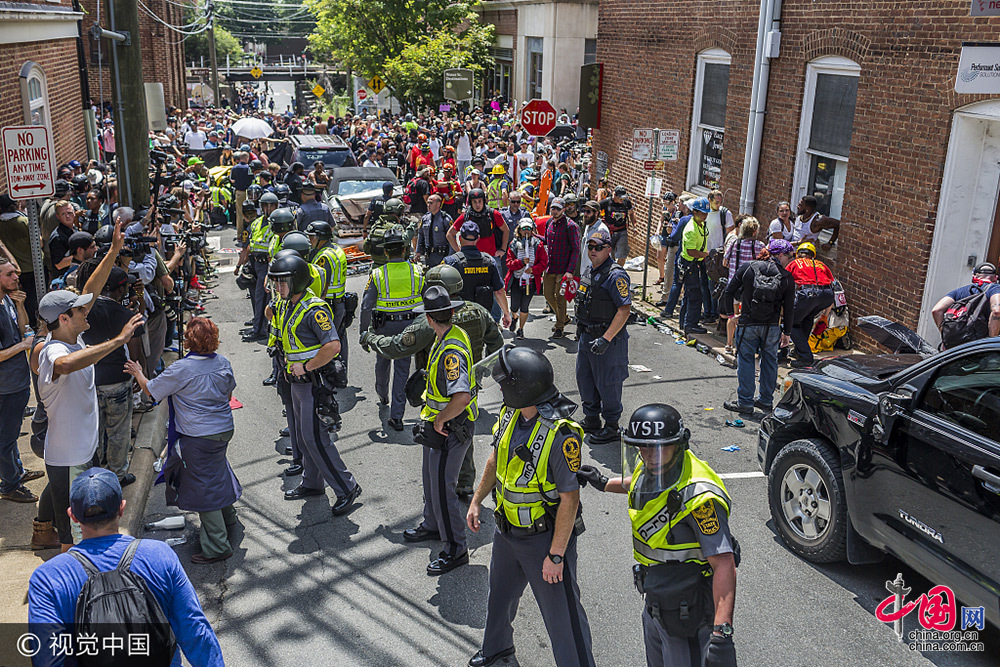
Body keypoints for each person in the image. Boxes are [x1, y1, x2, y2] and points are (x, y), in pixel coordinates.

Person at [577, 404, 738, 667]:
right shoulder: (654, 466)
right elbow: (637, 483)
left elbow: (724, 565)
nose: (648, 455)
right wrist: (603, 482)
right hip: (656, 599)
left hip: (689, 610)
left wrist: (722, 634)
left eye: (657, 448)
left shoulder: (699, 498)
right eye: (642, 447)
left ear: (678, 445)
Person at [466, 346, 595, 667]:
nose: (499, 389)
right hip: (507, 531)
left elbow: (570, 498)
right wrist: (476, 499)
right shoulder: (511, 412)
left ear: (520, 388)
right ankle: (497, 649)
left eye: (505, 384)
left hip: (544, 539)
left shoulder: (560, 434)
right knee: (499, 597)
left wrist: (555, 555)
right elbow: (496, 459)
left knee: (563, 619)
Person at [27, 467, 226, 666]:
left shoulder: (48, 578)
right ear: (122, 508)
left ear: (73, 516)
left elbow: (47, 659)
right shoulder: (159, 556)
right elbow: (195, 630)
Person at [36, 221, 144, 551]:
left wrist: (112, 251)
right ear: (64, 319)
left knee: (84, 526)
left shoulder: (76, 334)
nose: (89, 311)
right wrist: (118, 340)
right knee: (76, 538)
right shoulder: (52, 350)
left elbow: (93, 291)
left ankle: (50, 537)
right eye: (80, 309)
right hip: (69, 459)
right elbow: (65, 366)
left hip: (83, 451)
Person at [125, 317, 241, 563]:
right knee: (217, 473)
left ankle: (217, 546)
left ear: (189, 341)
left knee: (203, 487)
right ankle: (229, 518)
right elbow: (229, 393)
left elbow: (152, 390)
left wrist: (138, 373)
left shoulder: (181, 369)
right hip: (222, 430)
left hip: (198, 436)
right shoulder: (223, 362)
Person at [269, 254, 362, 514]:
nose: (278, 288)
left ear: (297, 281)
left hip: (312, 383)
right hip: (297, 383)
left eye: (282, 282)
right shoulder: (289, 304)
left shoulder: (314, 309)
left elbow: (333, 345)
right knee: (304, 436)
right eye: (276, 283)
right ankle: (312, 482)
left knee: (316, 438)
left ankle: (347, 486)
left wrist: (307, 366)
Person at [402, 285, 478, 575]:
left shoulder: (450, 350)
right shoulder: (449, 335)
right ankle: (433, 525)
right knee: (430, 480)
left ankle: (456, 549)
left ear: (430, 319)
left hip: (450, 427)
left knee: (442, 488)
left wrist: (439, 420)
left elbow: (461, 397)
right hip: (442, 424)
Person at [77, 264, 141, 487]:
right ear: (121, 290)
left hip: (89, 380)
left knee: (94, 431)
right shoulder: (127, 315)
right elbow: (134, 351)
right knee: (119, 431)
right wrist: (138, 376)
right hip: (118, 380)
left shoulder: (83, 313)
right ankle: (118, 475)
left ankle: (93, 474)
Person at [720, 239, 797, 415]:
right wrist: (787, 332)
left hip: (748, 324)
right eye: (789, 256)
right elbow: (790, 308)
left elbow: (729, 290)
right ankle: (765, 401)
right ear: (779, 255)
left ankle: (745, 403)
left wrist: (731, 316)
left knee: (746, 361)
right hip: (772, 327)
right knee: (770, 362)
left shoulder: (748, 268)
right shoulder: (786, 278)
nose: (791, 260)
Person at [360, 228, 424, 431]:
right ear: (405, 249)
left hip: (384, 326)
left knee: (382, 361)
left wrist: (364, 334)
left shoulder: (377, 274)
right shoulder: (417, 270)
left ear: (386, 252)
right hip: (409, 326)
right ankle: (397, 416)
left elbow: (366, 306)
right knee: (402, 370)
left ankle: (382, 393)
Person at [576, 229, 632, 444]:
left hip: (607, 340)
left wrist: (606, 338)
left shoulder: (615, 275)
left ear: (609, 249)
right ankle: (591, 419)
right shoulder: (591, 271)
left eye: (598, 247)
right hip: (587, 335)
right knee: (585, 380)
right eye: (590, 246)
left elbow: (624, 309)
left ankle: (611, 426)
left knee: (608, 383)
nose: (593, 251)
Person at [0, 257, 41, 504]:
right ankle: (10, 484)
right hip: (5, 387)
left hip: (17, 381)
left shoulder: (8, 300)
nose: (16, 277)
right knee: (4, 439)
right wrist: (22, 346)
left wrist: (21, 306)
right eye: (9, 275)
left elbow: (23, 329)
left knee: (12, 433)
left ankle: (16, 472)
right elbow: (20, 342)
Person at [443, 222, 512, 328]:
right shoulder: (489, 261)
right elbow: (499, 292)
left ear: (460, 237)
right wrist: (506, 314)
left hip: (458, 318)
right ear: (478, 238)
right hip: (482, 318)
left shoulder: (451, 262)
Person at [306, 220, 349, 368]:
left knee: (328, 341)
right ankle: (342, 373)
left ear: (321, 238)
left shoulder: (324, 257)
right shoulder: (337, 249)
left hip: (330, 304)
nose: (310, 240)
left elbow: (323, 287)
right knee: (341, 337)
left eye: (312, 237)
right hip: (340, 301)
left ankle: (333, 373)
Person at [785, 242, 836, 367]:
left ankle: (806, 357)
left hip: (809, 294)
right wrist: (825, 315)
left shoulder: (795, 263)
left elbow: (784, 279)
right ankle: (799, 351)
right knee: (806, 318)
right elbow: (832, 284)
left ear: (798, 255)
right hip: (827, 295)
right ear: (813, 255)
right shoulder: (821, 264)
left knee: (790, 323)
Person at [722, 217, 765, 353]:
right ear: (754, 232)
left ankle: (729, 344)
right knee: (747, 316)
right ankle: (744, 346)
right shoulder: (759, 246)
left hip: (734, 286)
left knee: (733, 316)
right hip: (751, 287)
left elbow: (724, 262)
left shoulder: (735, 243)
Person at [931, 262, 1000, 347]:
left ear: (974, 276)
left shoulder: (961, 291)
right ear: (995, 278)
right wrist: (991, 342)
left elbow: (936, 310)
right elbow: (997, 312)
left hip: (958, 346)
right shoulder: (995, 289)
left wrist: (946, 335)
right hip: (979, 347)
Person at [542, 198, 581, 339]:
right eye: (553, 208)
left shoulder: (571, 226)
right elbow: (547, 241)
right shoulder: (549, 223)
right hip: (550, 267)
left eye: (558, 208)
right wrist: (534, 236)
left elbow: (576, 249)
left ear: (563, 210)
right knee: (547, 295)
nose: (555, 211)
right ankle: (563, 317)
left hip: (563, 269)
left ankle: (559, 327)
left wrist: (570, 270)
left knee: (560, 298)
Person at [505, 218, 547, 339]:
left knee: (524, 306)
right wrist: (521, 263)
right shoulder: (513, 244)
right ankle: (514, 317)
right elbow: (509, 263)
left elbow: (544, 262)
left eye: (529, 228)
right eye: (524, 229)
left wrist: (533, 269)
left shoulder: (537, 244)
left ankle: (521, 329)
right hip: (517, 280)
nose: (526, 231)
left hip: (531, 281)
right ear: (519, 230)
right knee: (514, 306)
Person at [0, 194, 37, 325]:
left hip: (10, 270)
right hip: (31, 267)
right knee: (31, 298)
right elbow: (39, 243)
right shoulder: (24, 221)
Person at [678, 197, 711, 335]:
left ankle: (684, 322)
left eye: (706, 213)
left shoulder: (701, 224)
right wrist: (706, 255)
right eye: (703, 213)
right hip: (690, 264)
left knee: (689, 294)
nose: (706, 215)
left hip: (695, 263)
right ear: (695, 212)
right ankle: (690, 324)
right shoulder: (691, 229)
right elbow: (691, 251)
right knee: (695, 296)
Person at [599, 185, 635, 267]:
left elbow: (631, 213)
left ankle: (618, 271)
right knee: (609, 255)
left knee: (622, 255)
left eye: (623, 198)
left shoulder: (626, 202)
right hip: (609, 232)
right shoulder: (606, 202)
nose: (622, 200)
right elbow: (596, 211)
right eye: (620, 198)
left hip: (622, 230)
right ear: (614, 195)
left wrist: (634, 226)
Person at [415, 193, 453, 268]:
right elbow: (421, 235)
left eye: (431, 203)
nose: (428, 205)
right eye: (428, 202)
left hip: (442, 255)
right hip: (429, 256)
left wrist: (450, 257)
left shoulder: (445, 219)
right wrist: (418, 252)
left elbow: (452, 238)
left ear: (438, 204)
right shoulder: (425, 218)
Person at [578, 200, 609, 280]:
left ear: (597, 213)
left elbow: (604, 253)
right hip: (585, 272)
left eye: (588, 212)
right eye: (584, 211)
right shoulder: (588, 226)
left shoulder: (601, 229)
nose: (585, 214)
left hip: (595, 274)